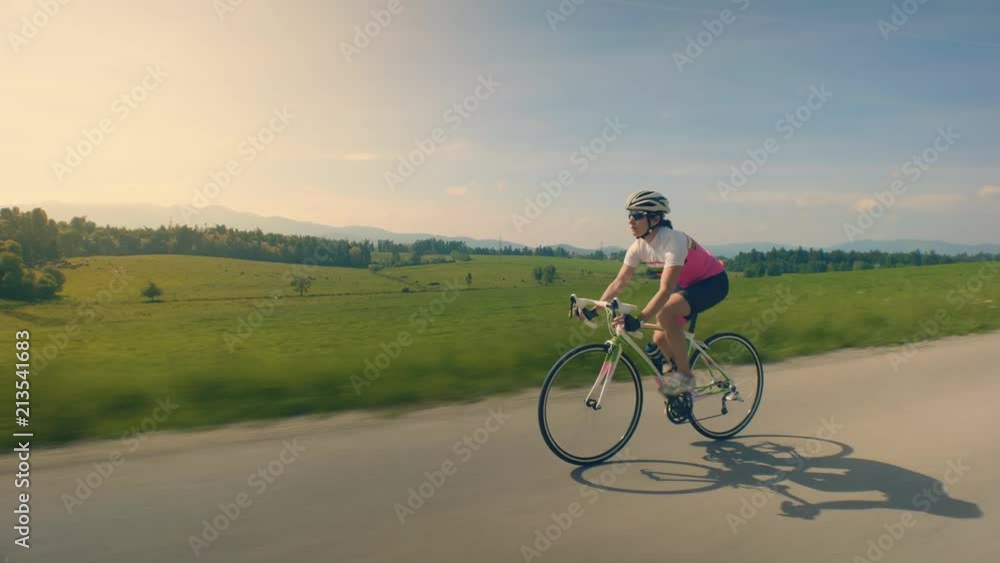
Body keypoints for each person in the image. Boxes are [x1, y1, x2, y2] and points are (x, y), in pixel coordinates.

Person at [586, 190, 729, 397]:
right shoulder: (638, 247)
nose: (630, 221)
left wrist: (639, 319)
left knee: (665, 313)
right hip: (686, 285)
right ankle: (681, 386)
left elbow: (665, 289)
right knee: (660, 339)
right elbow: (619, 282)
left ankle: (685, 378)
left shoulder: (673, 241)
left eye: (636, 215)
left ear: (655, 218)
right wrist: (594, 310)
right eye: (629, 215)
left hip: (712, 282)